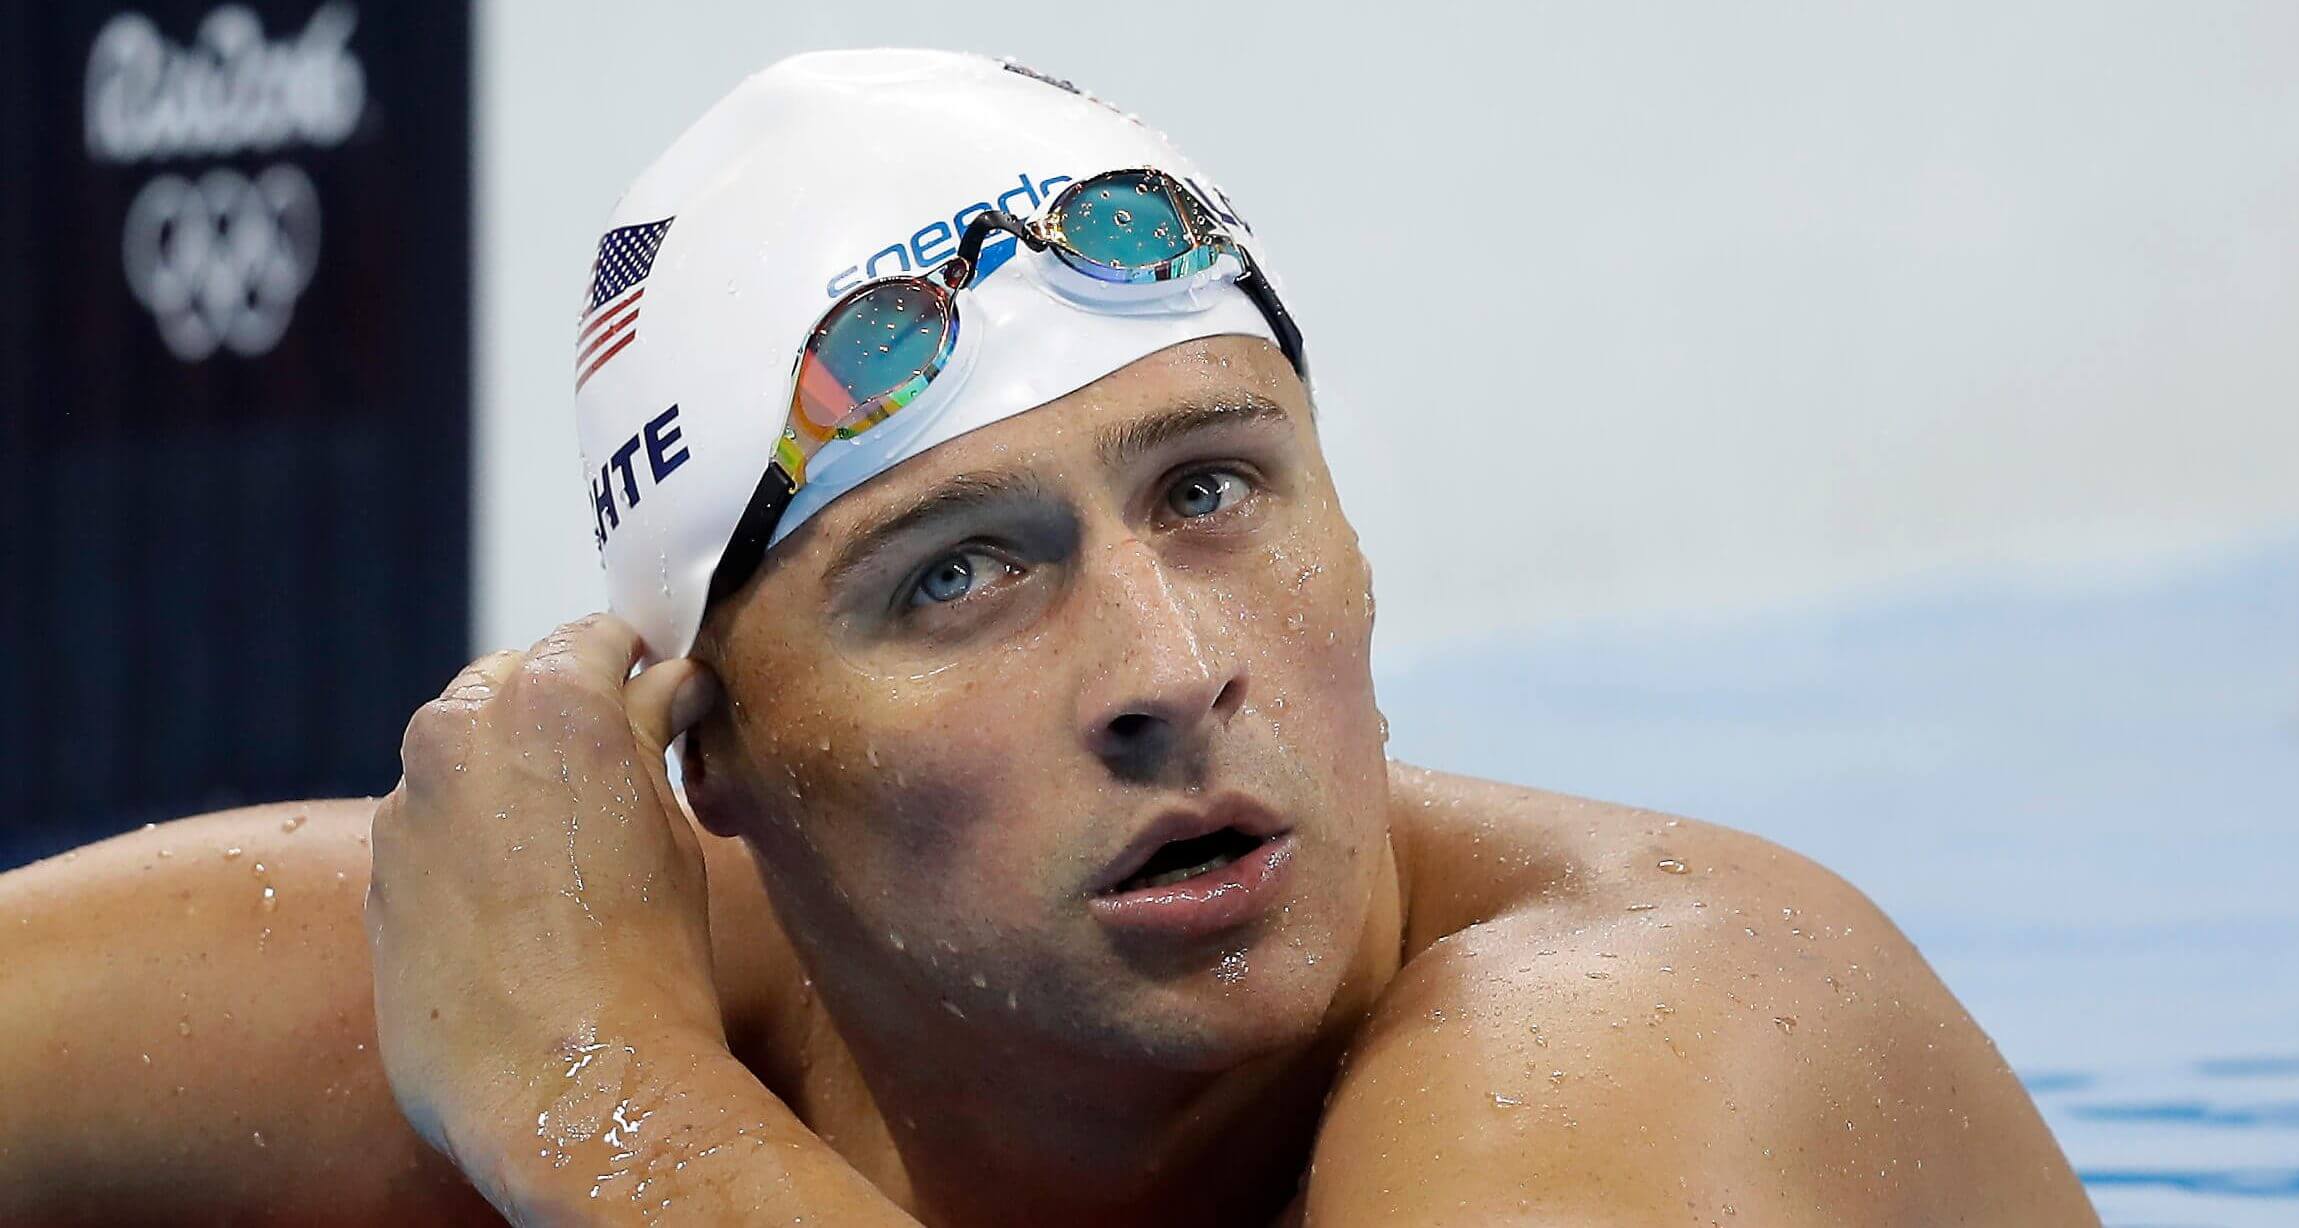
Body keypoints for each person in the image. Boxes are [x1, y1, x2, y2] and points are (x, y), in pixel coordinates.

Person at [0, 49, 2098, 1226]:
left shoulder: (1644, 1024)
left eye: (1211, 488)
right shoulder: (457, 980)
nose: (1171, 665)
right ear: (711, 751)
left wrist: (593, 1100)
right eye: (955, 573)